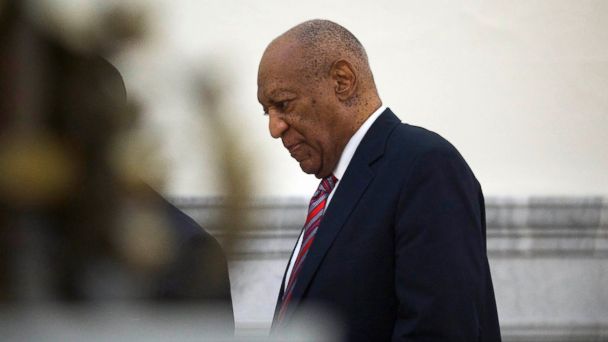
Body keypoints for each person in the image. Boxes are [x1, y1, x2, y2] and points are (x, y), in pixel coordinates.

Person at [257, 19, 501, 341]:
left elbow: (440, 330)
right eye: (267, 112)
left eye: (283, 104)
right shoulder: (337, 187)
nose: (274, 128)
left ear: (342, 81)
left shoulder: (426, 166)